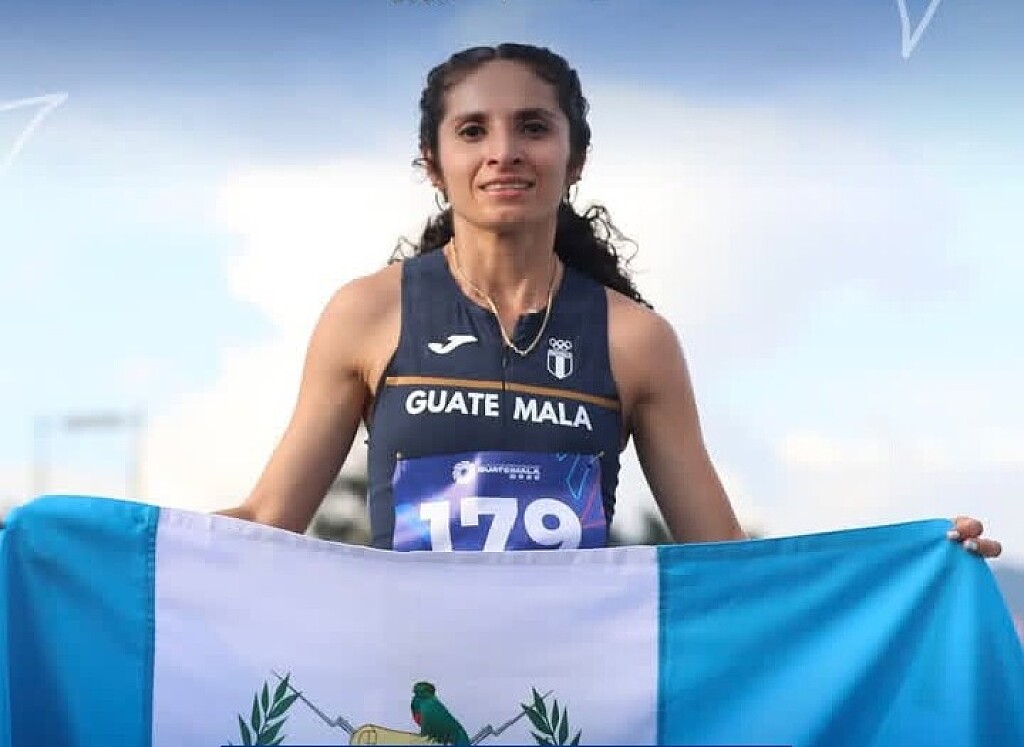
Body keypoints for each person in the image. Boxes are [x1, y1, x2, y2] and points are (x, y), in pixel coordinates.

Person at [216, 43, 1001, 558]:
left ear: (575, 157)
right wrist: (133, 544)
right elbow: (268, 518)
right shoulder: (366, 314)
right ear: (432, 161)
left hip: (574, 698)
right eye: (473, 131)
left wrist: (916, 563)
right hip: (404, 679)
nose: (503, 152)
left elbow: (724, 555)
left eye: (532, 127)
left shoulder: (637, 341)